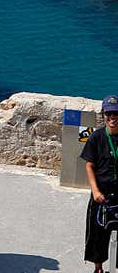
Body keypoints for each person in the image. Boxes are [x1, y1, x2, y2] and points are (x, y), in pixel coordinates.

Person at [82, 95, 118, 273]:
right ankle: (98, 269)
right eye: (108, 113)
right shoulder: (96, 137)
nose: (112, 117)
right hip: (101, 194)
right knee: (98, 235)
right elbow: (89, 165)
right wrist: (95, 190)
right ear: (103, 114)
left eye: (116, 113)